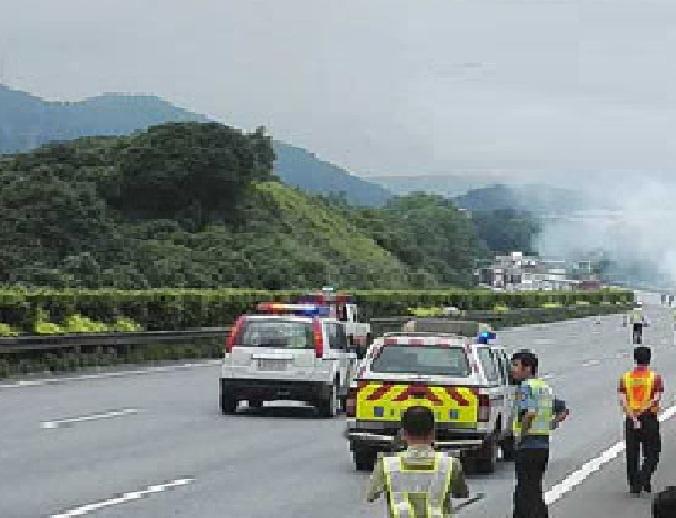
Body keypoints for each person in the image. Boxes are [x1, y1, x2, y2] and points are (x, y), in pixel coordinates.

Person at [366, 406, 469, 517]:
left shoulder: (387, 465)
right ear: (433, 434)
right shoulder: (450, 464)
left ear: (403, 434)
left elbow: (371, 495)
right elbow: (461, 493)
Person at [511, 351, 557, 518]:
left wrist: (519, 437)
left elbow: (529, 414)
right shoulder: (544, 387)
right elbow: (559, 410)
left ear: (528, 368)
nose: (513, 370)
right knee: (534, 490)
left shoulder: (526, 387)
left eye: (516, 365)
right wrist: (552, 424)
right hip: (543, 445)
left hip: (528, 445)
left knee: (525, 492)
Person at [618, 346, 664, 496]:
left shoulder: (625, 378)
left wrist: (633, 416)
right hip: (648, 418)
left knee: (632, 453)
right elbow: (656, 398)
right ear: (649, 359)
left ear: (635, 359)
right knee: (652, 452)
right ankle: (644, 477)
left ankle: (634, 485)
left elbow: (623, 401)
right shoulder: (654, 377)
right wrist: (642, 412)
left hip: (632, 419)